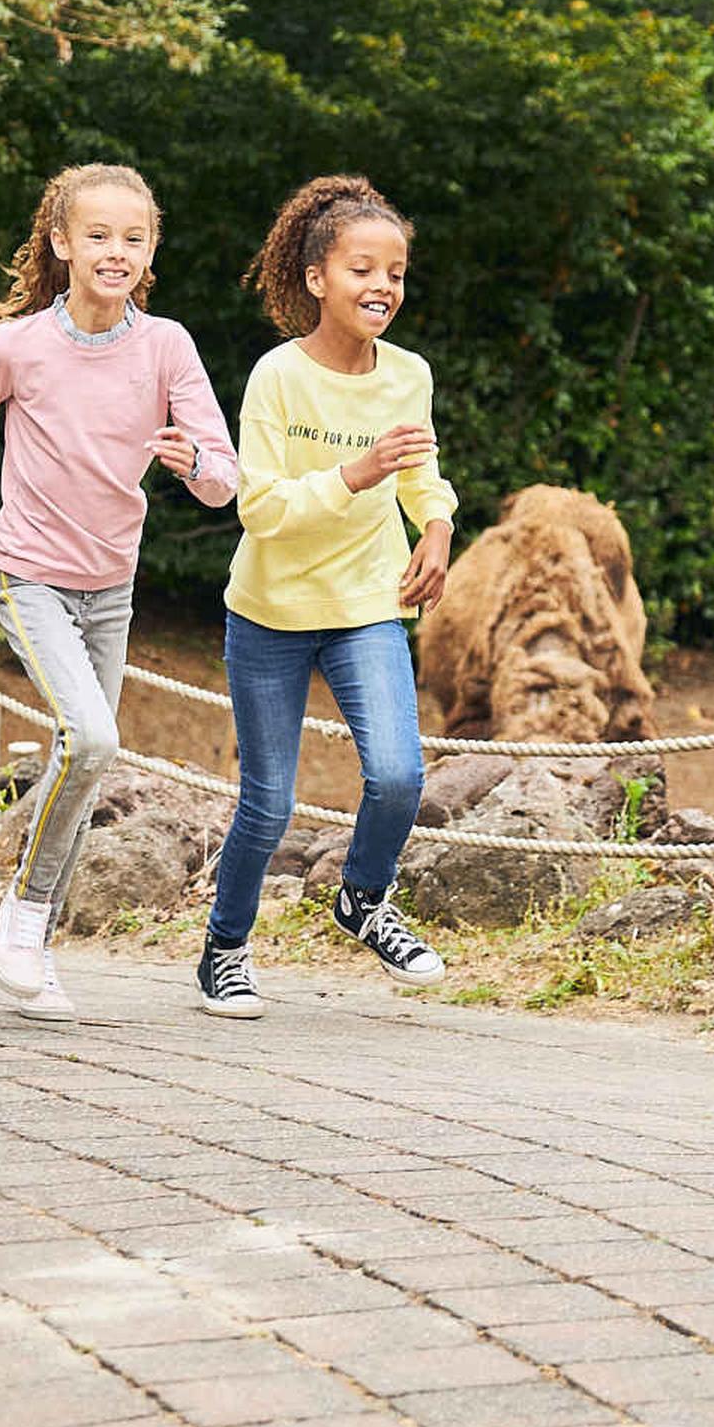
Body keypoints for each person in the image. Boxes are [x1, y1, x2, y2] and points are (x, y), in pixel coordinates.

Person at [0, 163, 239, 1019]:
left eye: (133, 238)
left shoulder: (167, 345)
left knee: (84, 760)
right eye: (97, 235)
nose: (115, 252)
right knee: (94, 736)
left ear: (151, 250)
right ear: (61, 244)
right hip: (29, 575)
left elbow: (224, 480)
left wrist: (196, 462)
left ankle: (37, 943)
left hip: (112, 586)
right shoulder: (20, 345)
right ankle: (22, 919)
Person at [195, 173, 455, 1018]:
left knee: (398, 775)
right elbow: (261, 509)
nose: (382, 286)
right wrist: (356, 472)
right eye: (362, 270)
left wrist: (439, 529)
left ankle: (364, 900)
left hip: (367, 604)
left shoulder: (407, 374)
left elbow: (421, 475)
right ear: (316, 280)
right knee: (267, 805)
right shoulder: (278, 377)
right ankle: (225, 949)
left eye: (397, 273)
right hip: (269, 613)